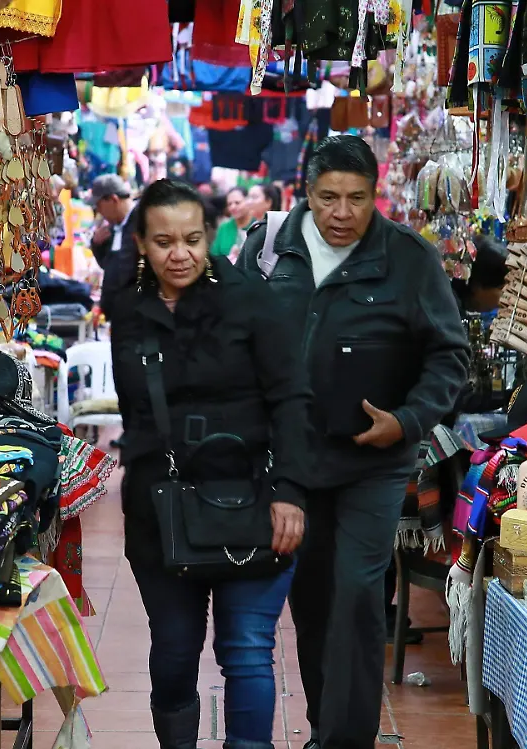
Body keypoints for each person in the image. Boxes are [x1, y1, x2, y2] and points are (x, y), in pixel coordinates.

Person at [238, 135, 470, 749]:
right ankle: (326, 725)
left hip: (374, 461)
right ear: (305, 194)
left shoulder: (409, 258)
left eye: (357, 199)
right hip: (292, 464)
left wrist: (409, 419)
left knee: (359, 593)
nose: (342, 213)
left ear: (377, 196)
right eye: (328, 198)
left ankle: (346, 739)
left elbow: (450, 358)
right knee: (312, 599)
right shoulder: (268, 250)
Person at [109, 179, 313, 749]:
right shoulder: (130, 309)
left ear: (209, 237)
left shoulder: (250, 297)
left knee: (247, 648)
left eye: (193, 239)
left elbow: (292, 398)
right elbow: (136, 414)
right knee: (174, 654)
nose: (181, 254)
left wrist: (290, 489)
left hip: (254, 497)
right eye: (165, 241)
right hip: (163, 509)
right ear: (144, 246)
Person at [383, 234, 509, 641]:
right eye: (503, 288)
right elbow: (444, 377)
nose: (503, 299)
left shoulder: (444, 301)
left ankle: (384, 616)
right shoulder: (446, 309)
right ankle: (383, 618)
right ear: (483, 284)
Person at [89, 173, 139, 323]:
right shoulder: (113, 228)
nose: (99, 212)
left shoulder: (142, 222)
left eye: (99, 206)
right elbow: (108, 265)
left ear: (113, 199)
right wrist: (97, 245)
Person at [211, 187, 250, 258]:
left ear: (248, 202)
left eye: (237, 203)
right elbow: (214, 255)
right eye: (229, 204)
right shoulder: (224, 227)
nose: (233, 207)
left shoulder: (257, 225)